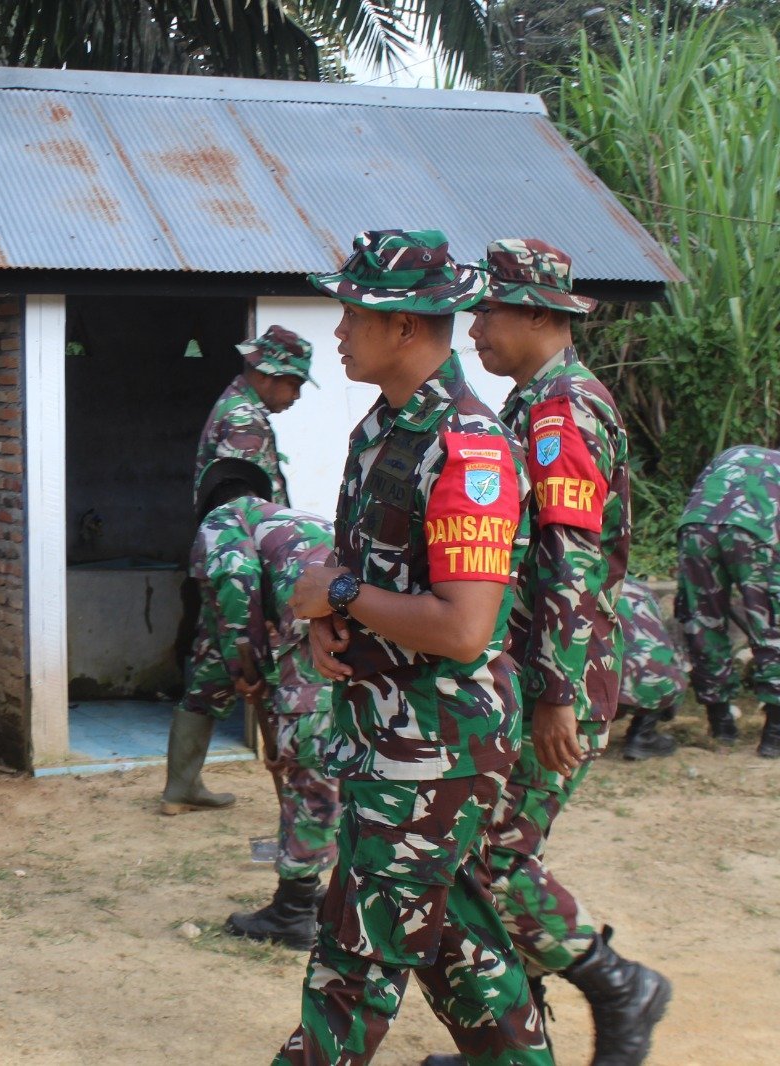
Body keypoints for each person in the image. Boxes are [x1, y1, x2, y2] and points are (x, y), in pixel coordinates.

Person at [278, 230, 551, 1065]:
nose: (337, 333)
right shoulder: (384, 431)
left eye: (353, 314)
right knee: (462, 958)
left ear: (405, 327)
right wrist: (335, 606)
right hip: (392, 736)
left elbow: (466, 629)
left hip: (434, 747)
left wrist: (347, 595)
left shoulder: (467, 449)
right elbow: (372, 564)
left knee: (351, 971)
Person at [455, 238, 669, 1064]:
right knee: (494, 855)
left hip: (554, 681)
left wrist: (556, 694)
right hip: (529, 675)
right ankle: (516, 1044)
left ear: (540, 314)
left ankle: (620, 985)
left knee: (493, 863)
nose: (475, 329)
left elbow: (571, 561)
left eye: (490, 311)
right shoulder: (529, 405)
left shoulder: (561, 411)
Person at [169, 458, 341, 949]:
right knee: (344, 771)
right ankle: (339, 899)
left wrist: (246, 667)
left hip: (311, 648)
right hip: (363, 640)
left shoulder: (224, 522)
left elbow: (235, 590)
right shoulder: (294, 522)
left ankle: (293, 911)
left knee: (308, 771)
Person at [676, 445, 780, 756]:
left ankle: (721, 724)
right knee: (772, 625)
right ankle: (775, 735)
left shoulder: (734, 454)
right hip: (756, 531)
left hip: (695, 527)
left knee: (703, 620)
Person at [193, 325, 314, 508]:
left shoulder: (236, 404)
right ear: (264, 374)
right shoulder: (243, 421)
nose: (297, 396)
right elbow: (240, 512)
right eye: (293, 384)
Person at [616, 577, 686, 760]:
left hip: (585, 691)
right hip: (653, 682)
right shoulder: (640, 589)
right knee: (668, 660)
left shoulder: (567, 581)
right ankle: (642, 735)